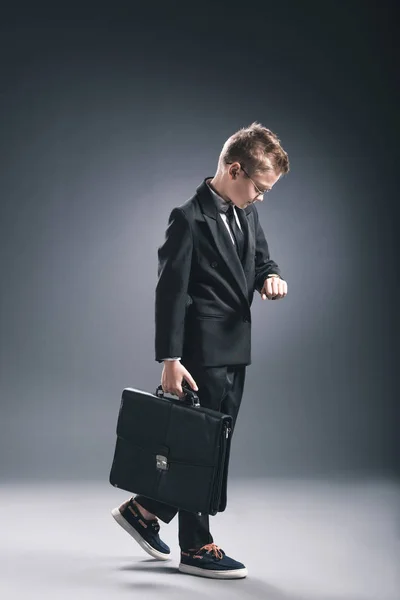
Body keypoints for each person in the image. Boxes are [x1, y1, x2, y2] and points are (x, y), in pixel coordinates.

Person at [111, 122, 289, 579]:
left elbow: (259, 259)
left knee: (212, 446)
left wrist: (269, 276)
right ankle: (196, 546)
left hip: (236, 348)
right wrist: (170, 361)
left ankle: (144, 511)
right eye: (260, 187)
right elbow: (169, 294)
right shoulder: (187, 218)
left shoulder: (246, 213)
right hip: (199, 355)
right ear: (235, 169)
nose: (262, 197)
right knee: (201, 445)